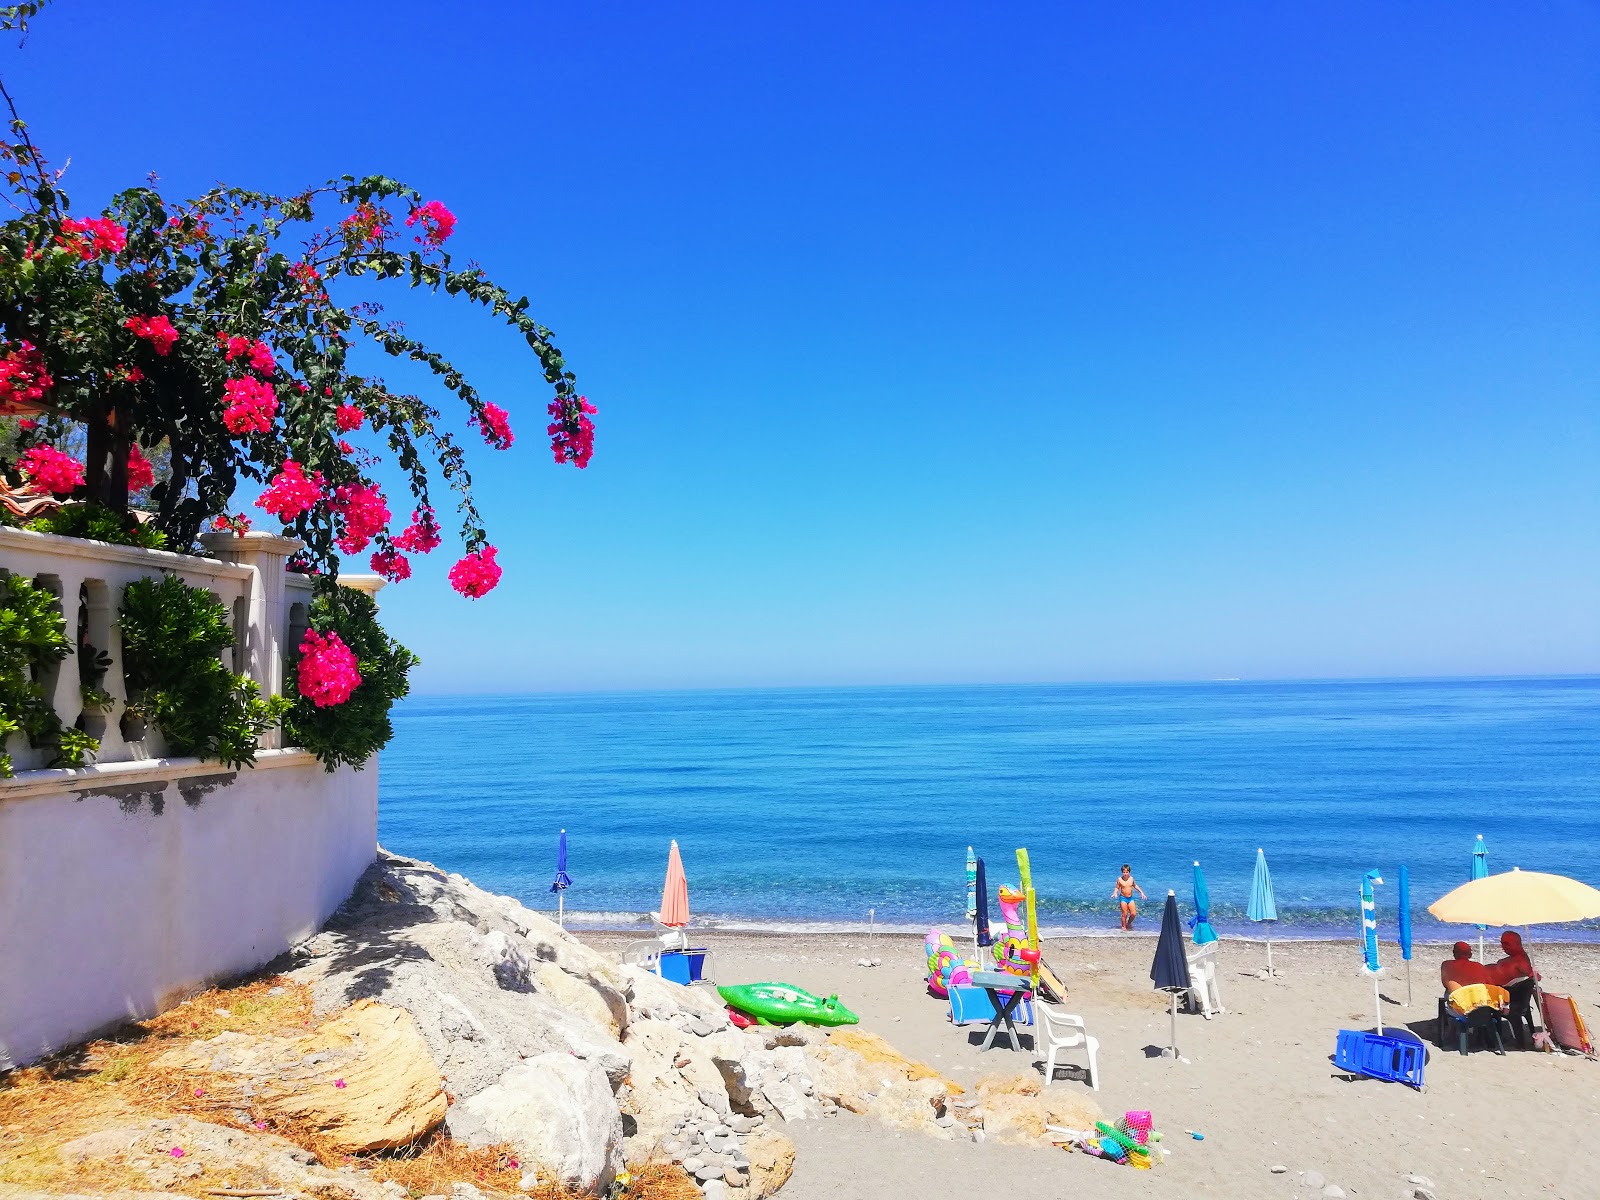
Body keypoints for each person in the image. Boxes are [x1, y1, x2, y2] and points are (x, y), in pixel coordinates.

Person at [1486, 930, 1541, 1049]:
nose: (1503, 947)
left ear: (1517, 943)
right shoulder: (1516, 957)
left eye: (1506, 943)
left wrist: (1532, 976)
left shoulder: (1521, 960)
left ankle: (1486, 1037)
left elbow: (1535, 977)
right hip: (1505, 993)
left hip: (1505, 999)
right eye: (1502, 943)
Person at [1111, 864, 1147, 931]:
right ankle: (1123, 926)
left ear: (1129, 872)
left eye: (1127, 872)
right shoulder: (1119, 879)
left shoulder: (1131, 879)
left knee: (1133, 914)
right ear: (1122, 872)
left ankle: (1129, 923)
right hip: (1123, 898)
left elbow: (1135, 886)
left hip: (1130, 898)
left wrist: (1142, 893)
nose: (1125, 874)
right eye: (1124, 872)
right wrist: (1115, 893)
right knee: (1125, 913)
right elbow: (1117, 887)